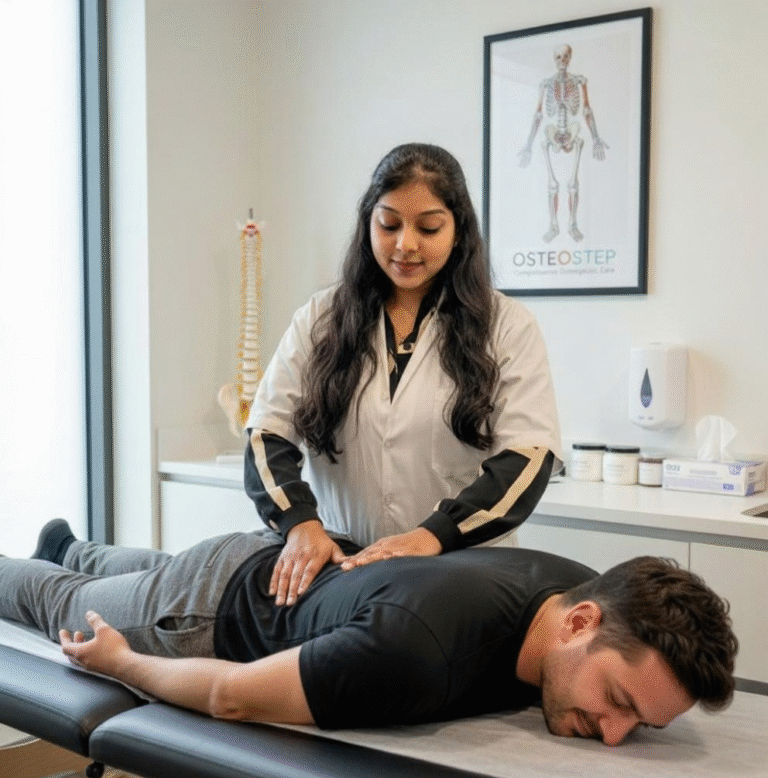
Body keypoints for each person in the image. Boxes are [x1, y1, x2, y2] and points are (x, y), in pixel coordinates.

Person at [0, 520, 737, 746]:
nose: (612, 734)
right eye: (615, 701)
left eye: (637, 723)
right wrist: (126, 663)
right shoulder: (414, 654)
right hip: (211, 611)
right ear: (582, 623)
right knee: (64, 602)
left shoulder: (582, 583)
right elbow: (230, 696)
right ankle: (56, 567)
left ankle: (75, 543)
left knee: (142, 570)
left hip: (295, 568)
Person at [245, 143, 562, 605]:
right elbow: (266, 434)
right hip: (345, 569)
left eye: (429, 227)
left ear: (458, 230)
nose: (405, 244)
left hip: (461, 573)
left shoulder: (507, 326)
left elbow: (527, 460)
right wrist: (301, 525)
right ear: (368, 222)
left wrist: (432, 536)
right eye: (389, 224)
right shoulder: (321, 318)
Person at [518, 44, 609, 242]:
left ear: (570, 58)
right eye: (558, 57)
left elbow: (586, 110)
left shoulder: (578, 81)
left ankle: (573, 225)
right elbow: (539, 114)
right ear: (555, 59)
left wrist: (595, 138)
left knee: (573, 183)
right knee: (552, 183)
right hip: (552, 135)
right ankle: (553, 226)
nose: (562, 61)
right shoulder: (545, 84)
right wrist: (527, 145)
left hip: (572, 133)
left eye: (565, 57)